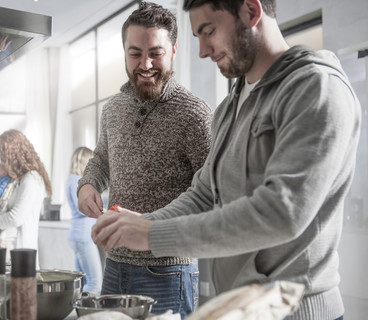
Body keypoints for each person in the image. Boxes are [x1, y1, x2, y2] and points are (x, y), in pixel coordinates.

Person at [91, 1, 361, 319]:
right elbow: (204, 193)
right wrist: (143, 223)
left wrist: (151, 235)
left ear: (251, 10)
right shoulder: (230, 106)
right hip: (239, 308)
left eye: (209, 31)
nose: (203, 51)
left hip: (296, 312)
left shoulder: (315, 88)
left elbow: (282, 213)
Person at [77, 2, 213, 317]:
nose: (146, 63)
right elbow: (101, 159)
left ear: (174, 50)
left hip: (168, 273)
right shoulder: (112, 108)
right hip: (114, 266)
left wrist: (152, 227)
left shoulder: (194, 114)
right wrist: (87, 185)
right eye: (135, 53)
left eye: (156, 52)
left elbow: (212, 194)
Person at [0, 129, 52, 269]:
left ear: (15, 155)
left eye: (4, 158)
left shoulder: (31, 179)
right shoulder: (12, 178)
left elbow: (16, 218)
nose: (2, 162)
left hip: (18, 256)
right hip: (1, 254)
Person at [66, 147, 103, 294]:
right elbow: (84, 208)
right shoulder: (76, 181)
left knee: (81, 283)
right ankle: (89, 316)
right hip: (83, 236)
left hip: (77, 235)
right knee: (95, 283)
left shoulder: (71, 180)